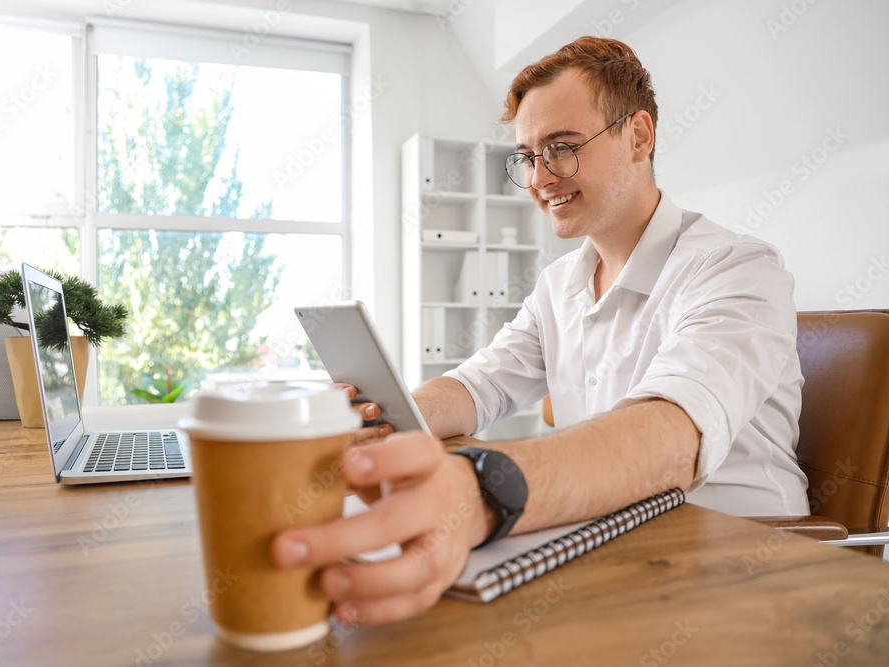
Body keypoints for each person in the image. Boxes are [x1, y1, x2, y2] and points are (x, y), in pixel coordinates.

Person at [272, 36, 809, 627]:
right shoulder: (560, 284)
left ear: (638, 137)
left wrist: (484, 492)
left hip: (743, 560)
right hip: (610, 537)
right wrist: (381, 420)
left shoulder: (737, 268)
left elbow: (673, 437)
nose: (540, 177)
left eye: (561, 147)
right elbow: (480, 387)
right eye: (527, 156)